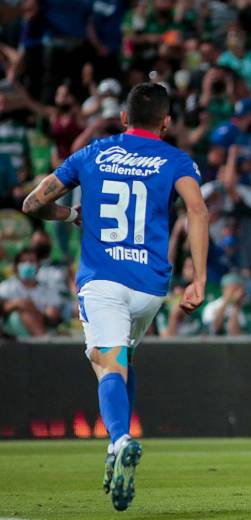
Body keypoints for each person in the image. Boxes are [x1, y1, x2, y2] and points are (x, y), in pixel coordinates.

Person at [20, 83, 208, 512]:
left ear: (123, 118)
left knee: (107, 362)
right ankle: (115, 441)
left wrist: (69, 214)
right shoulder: (176, 159)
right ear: (166, 123)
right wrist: (198, 278)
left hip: (103, 280)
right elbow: (198, 211)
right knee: (124, 357)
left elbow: (33, 203)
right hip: (150, 288)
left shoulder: (93, 153)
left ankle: (119, 441)